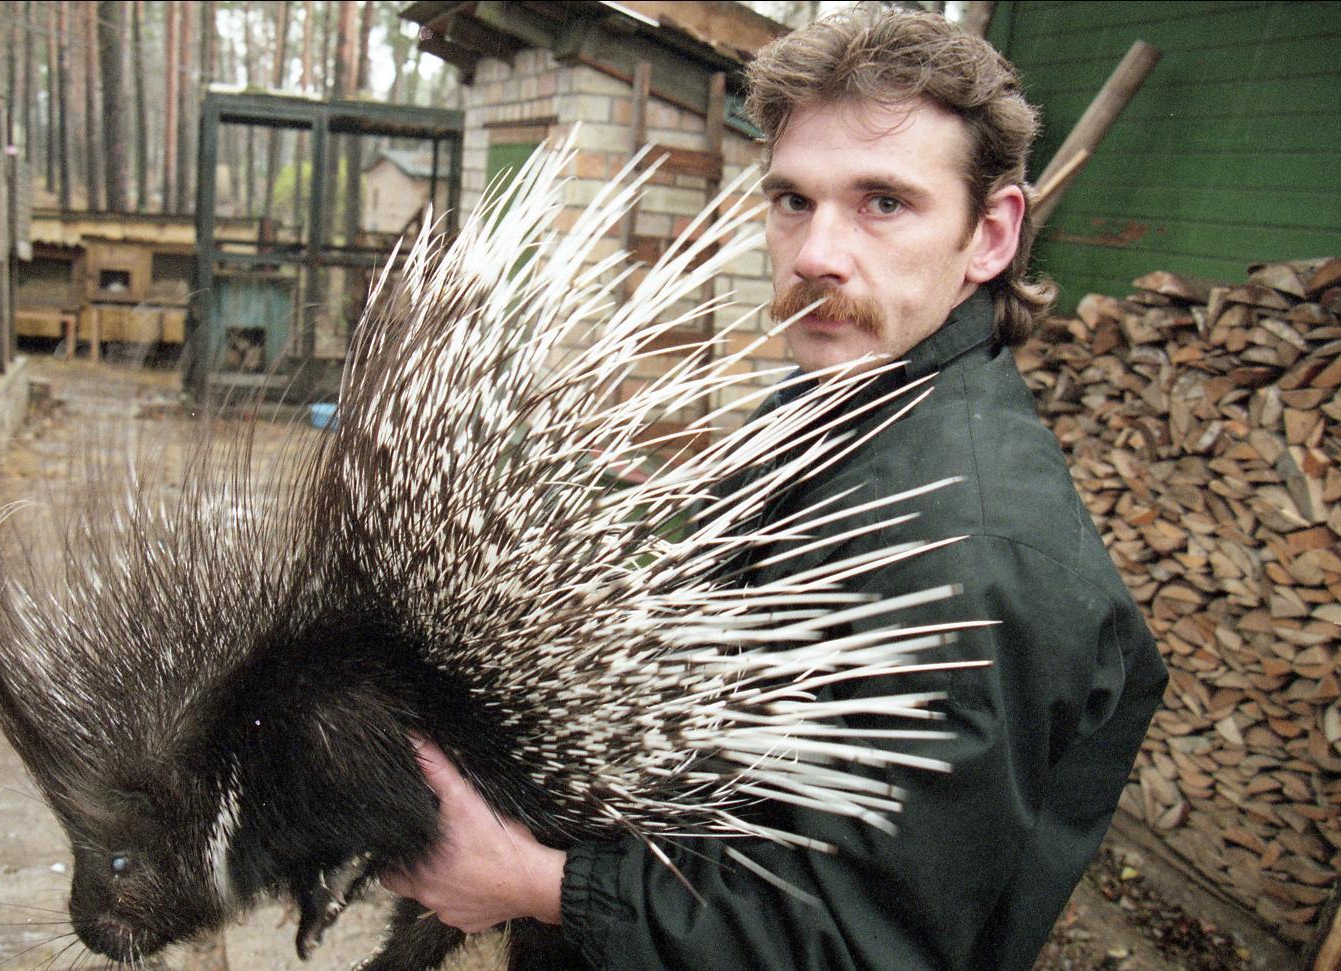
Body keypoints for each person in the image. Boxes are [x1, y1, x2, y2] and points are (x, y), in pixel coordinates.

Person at [382, 7, 1168, 969]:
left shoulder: (965, 557)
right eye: (793, 199)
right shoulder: (850, 392)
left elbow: (859, 943)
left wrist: (533, 882)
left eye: (884, 203)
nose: (813, 253)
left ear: (991, 234)